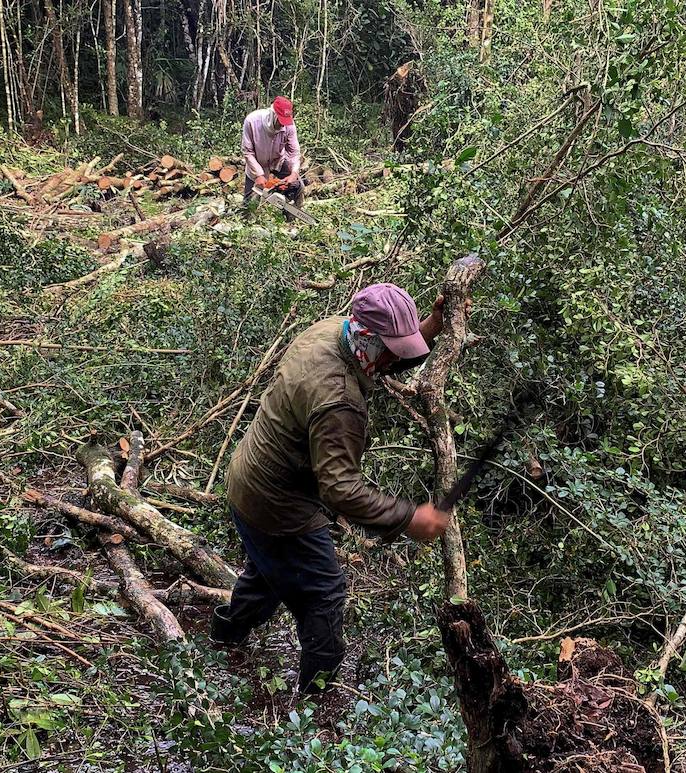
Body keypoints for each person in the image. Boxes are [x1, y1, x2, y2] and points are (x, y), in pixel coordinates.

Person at [210, 283, 453, 693]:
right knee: (324, 593)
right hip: (277, 505)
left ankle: (222, 638)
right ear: (368, 340)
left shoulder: (332, 330)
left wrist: (429, 328)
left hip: (248, 479)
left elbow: (382, 358)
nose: (398, 356)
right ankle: (314, 704)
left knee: (269, 572)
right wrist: (411, 518)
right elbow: (340, 489)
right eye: (395, 347)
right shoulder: (338, 400)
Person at [241, 96, 305, 207]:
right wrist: (258, 175)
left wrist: (294, 173)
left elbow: (294, 152)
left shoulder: (289, 126)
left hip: (278, 161)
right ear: (273, 114)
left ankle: (292, 215)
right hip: (257, 163)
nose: (282, 125)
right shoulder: (252, 121)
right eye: (280, 121)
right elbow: (247, 151)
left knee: (298, 186)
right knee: (249, 204)